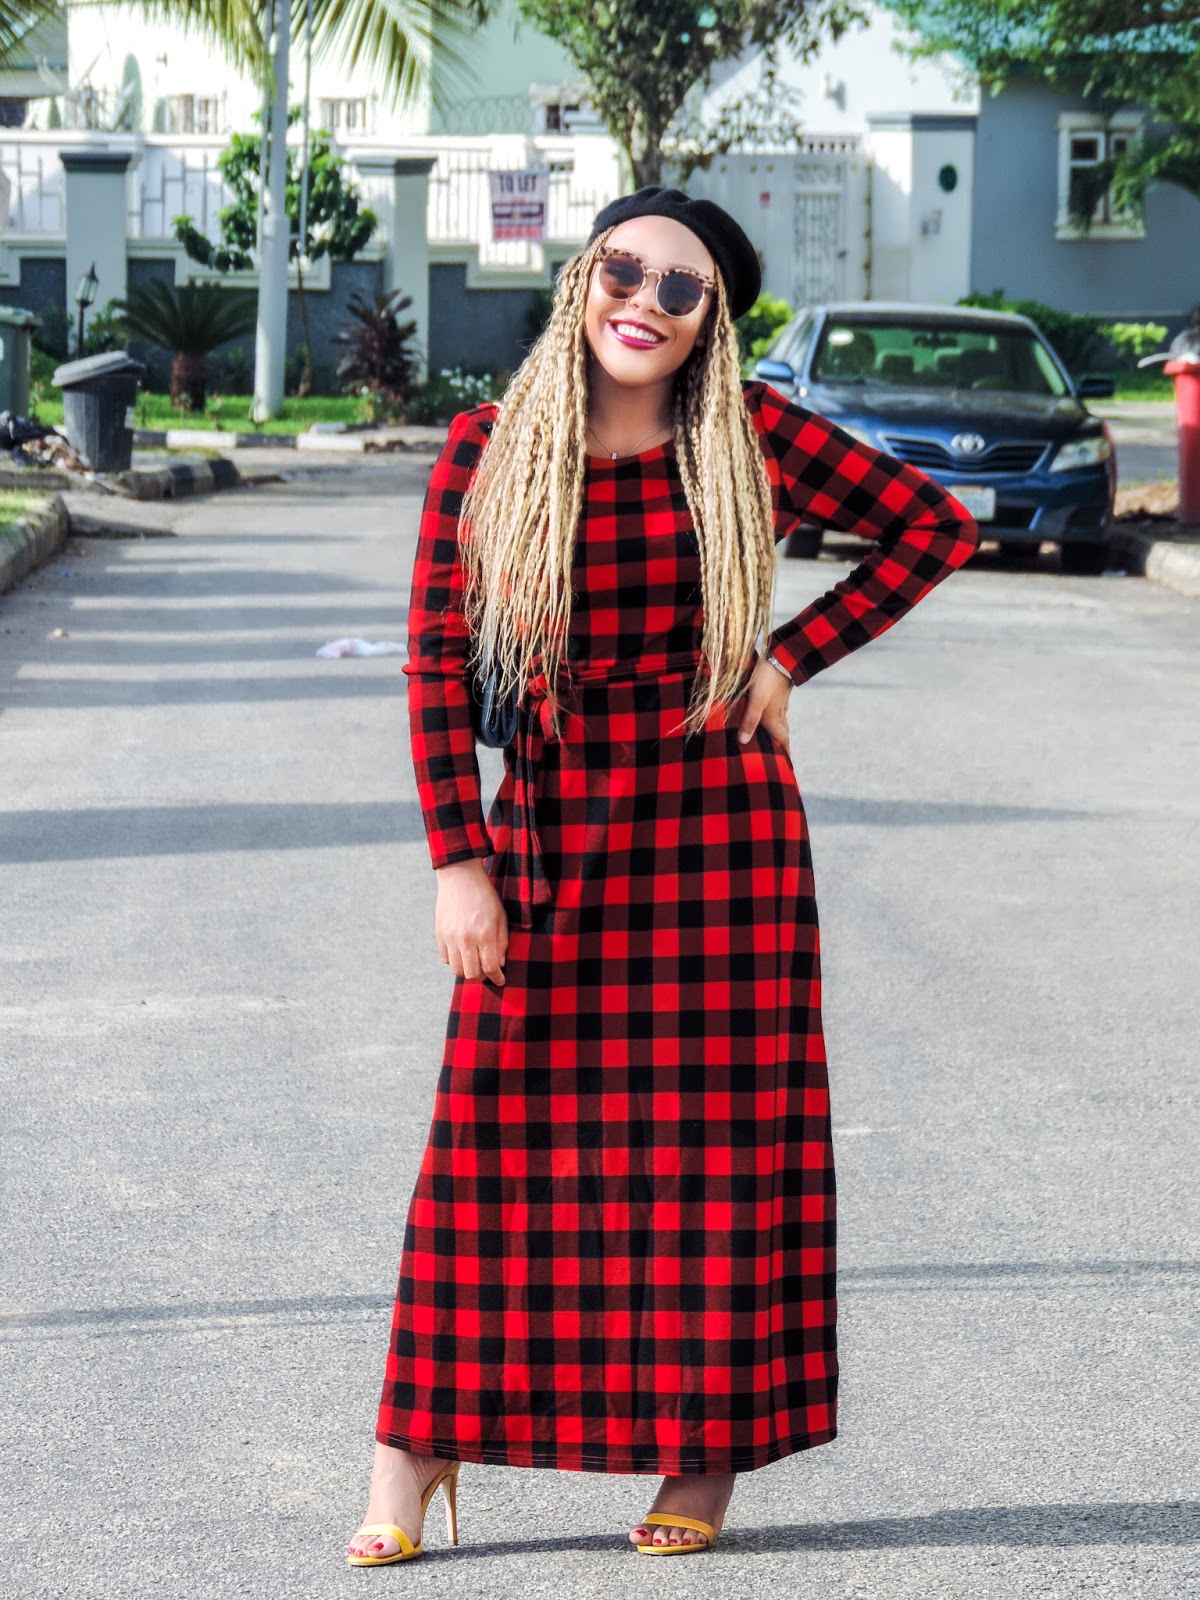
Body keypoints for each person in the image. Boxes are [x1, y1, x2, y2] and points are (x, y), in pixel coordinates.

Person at [346, 186, 979, 1567]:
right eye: (624, 270)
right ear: (585, 276)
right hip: (552, 828)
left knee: (718, 1156)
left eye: (681, 289)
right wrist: (459, 860)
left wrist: (790, 656)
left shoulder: (750, 439)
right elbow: (435, 662)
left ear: (712, 322)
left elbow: (935, 528)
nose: (644, 301)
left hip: (720, 840)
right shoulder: (491, 447)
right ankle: (418, 1444)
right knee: (489, 1143)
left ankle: (702, 1453)